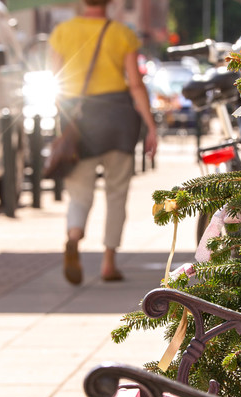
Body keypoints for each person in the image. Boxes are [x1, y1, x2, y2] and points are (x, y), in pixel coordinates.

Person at [48, 0, 157, 285]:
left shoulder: (62, 32)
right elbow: (135, 84)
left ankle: (74, 236)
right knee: (116, 193)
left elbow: (55, 83)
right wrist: (150, 126)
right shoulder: (122, 33)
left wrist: (65, 121)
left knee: (80, 192)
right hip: (118, 120)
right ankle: (109, 262)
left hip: (79, 122)